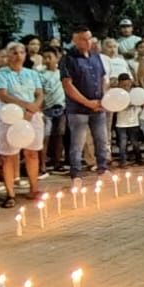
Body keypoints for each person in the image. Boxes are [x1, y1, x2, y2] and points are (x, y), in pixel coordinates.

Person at [0, 43, 45, 207]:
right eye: (14, 52)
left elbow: (39, 93)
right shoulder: (1, 74)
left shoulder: (31, 73)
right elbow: (2, 94)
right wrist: (25, 105)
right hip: (10, 117)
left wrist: (34, 106)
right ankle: (10, 194)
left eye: (22, 52)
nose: (19, 55)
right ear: (8, 55)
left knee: (32, 153)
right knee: (9, 156)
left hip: (31, 115)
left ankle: (34, 188)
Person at [61, 27, 111, 178]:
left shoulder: (96, 56)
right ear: (75, 40)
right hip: (78, 109)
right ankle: (76, 173)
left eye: (89, 38)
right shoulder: (68, 59)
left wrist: (103, 99)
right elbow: (68, 85)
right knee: (78, 143)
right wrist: (87, 102)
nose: (87, 42)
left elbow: (102, 78)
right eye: (83, 39)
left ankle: (103, 167)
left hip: (98, 105)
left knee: (102, 139)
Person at [37, 46, 68, 174]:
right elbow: (39, 93)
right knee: (45, 137)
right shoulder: (40, 75)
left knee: (59, 135)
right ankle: (42, 164)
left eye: (50, 57)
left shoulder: (62, 72)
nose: (47, 60)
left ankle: (58, 161)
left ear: (57, 58)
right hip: (46, 109)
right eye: (45, 57)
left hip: (61, 107)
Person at [112, 74, 143, 164]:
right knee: (122, 142)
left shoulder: (135, 93)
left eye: (127, 84)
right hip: (121, 123)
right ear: (119, 84)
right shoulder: (117, 94)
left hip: (133, 122)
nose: (126, 87)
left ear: (130, 83)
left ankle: (138, 159)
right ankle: (123, 161)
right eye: (123, 85)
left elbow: (139, 104)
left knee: (135, 142)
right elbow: (115, 107)